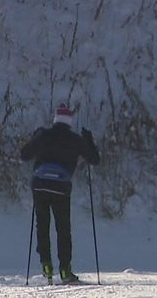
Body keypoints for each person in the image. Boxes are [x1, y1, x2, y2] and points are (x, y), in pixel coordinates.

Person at [19, 103, 100, 284]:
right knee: (63, 229)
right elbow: (95, 161)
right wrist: (89, 141)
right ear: (69, 122)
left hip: (40, 185)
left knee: (42, 225)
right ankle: (65, 270)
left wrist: (35, 138)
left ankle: (46, 265)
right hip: (61, 188)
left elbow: (24, 154)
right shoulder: (75, 139)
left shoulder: (43, 135)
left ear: (55, 120)